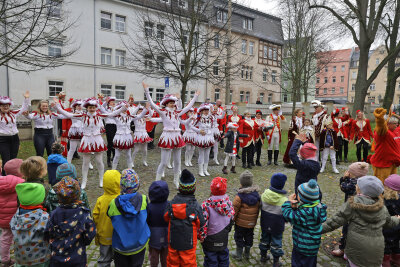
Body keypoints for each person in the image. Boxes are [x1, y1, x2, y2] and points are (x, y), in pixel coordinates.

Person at [322, 176, 400, 267]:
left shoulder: (352, 205)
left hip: (356, 249)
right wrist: (397, 219)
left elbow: (335, 221)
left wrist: (318, 229)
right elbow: (388, 222)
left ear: (359, 190)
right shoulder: (382, 207)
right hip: (376, 250)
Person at [55, 97, 127, 188]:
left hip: (97, 140)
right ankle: (84, 180)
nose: (92, 109)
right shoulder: (82, 116)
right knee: (85, 162)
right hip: (87, 140)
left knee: (99, 161)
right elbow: (68, 114)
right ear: (87, 108)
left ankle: (101, 179)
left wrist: (123, 108)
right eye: (90, 107)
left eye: (93, 107)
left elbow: (113, 113)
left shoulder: (100, 115)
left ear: (96, 107)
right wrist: (57, 106)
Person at [143, 82, 199, 186]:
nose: (173, 104)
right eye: (170, 103)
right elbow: (152, 104)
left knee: (177, 162)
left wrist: (195, 96)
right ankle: (157, 181)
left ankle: (176, 181)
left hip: (177, 136)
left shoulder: (178, 113)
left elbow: (188, 107)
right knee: (164, 162)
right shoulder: (163, 112)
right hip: (167, 136)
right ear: (166, 104)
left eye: (174, 102)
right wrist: (147, 91)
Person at [44, 176, 96, 267]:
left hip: (57, 259)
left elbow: (47, 233)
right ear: (78, 194)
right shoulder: (83, 214)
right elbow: (90, 234)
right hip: (77, 259)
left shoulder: (54, 214)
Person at [107, 169, 150, 267]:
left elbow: (109, 215)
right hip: (139, 244)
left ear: (120, 186)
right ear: (138, 185)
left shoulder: (113, 204)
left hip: (121, 246)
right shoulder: (143, 200)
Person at [164, 169, 205, 266]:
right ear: (193, 189)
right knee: (188, 262)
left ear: (180, 188)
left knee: (172, 261)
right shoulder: (196, 206)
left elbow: (165, 217)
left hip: (173, 240)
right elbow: (201, 223)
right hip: (189, 242)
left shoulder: (171, 204)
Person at [282, 179, 327, 267]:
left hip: (302, 247)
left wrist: (288, 202)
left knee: (297, 263)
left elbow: (288, 215)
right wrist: (296, 207)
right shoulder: (319, 207)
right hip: (313, 247)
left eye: (298, 193)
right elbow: (301, 217)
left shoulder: (304, 212)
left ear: (302, 197)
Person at [331, 162, 370, 257]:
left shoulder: (354, 183)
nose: (347, 172)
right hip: (360, 211)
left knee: (346, 229)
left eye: (349, 171)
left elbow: (343, 187)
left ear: (354, 173)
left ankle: (343, 250)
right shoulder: (364, 181)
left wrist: (343, 178)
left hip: (351, 210)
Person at [10, 183, 50, 267]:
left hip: (20, 257)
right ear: (41, 199)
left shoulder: (16, 216)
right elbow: (50, 233)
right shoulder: (44, 217)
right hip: (40, 258)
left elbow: (11, 226)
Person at [199, 177, 234, 267]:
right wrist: (227, 230)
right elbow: (232, 218)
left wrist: (202, 236)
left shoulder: (206, 205)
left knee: (211, 259)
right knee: (224, 257)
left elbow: (203, 222)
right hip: (223, 236)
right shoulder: (229, 203)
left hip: (210, 238)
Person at [93, 170, 121, 267]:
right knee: (119, 260)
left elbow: (95, 216)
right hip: (119, 236)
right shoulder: (121, 199)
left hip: (104, 236)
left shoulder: (100, 200)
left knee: (104, 260)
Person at [108, 103, 148, 170]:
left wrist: (145, 109)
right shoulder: (116, 116)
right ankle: (113, 170)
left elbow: (140, 116)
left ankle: (130, 170)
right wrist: (121, 108)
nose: (125, 109)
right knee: (117, 155)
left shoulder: (130, 117)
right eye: (123, 108)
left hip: (128, 137)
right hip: (119, 137)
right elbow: (111, 114)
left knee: (128, 155)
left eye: (125, 108)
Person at [231, 170, 261, 261]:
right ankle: (247, 253)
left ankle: (238, 254)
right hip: (251, 223)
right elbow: (258, 209)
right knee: (249, 236)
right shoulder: (257, 196)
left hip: (240, 224)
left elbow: (234, 210)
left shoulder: (239, 196)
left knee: (239, 237)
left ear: (241, 183)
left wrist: (232, 220)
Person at [259, 173, 288, 266]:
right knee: (276, 242)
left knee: (264, 239)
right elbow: (287, 215)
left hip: (265, 223)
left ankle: (263, 256)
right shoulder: (284, 201)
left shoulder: (264, 195)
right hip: (277, 226)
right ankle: (276, 261)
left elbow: (260, 206)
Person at [0, 159, 24, 267]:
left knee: (5, 238)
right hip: (16, 218)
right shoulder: (22, 183)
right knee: (19, 239)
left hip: (3, 218)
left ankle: (5, 259)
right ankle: (21, 259)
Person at [0, 91, 30, 174]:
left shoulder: (14, 113)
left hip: (15, 138)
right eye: (3, 105)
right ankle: (4, 179)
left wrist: (26, 98)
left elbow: (23, 108)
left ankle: (12, 178)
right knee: (6, 160)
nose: (5, 107)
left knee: (13, 160)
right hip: (3, 139)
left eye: (7, 105)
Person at [370, 108, 400, 183]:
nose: (397, 125)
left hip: (393, 163)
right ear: (388, 124)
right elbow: (381, 126)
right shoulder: (383, 133)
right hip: (383, 164)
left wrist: (395, 115)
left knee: (392, 185)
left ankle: (391, 194)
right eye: (394, 123)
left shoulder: (395, 131)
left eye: (397, 123)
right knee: (382, 185)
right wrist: (379, 118)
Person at [147, 180, 170, 267]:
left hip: (154, 234)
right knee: (165, 254)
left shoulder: (149, 207)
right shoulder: (169, 205)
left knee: (154, 254)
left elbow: (147, 220)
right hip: (167, 232)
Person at [191, 103, 215, 177]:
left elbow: (212, 127)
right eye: (204, 110)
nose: (206, 112)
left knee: (207, 155)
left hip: (209, 137)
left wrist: (212, 135)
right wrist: (199, 131)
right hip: (202, 138)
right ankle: (200, 170)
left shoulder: (211, 118)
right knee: (201, 154)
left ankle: (205, 170)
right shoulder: (198, 118)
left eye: (207, 110)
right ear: (201, 111)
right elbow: (191, 126)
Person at [382, 174, 400, 267]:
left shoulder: (385, 200)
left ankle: (385, 260)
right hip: (398, 225)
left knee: (386, 243)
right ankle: (396, 258)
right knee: (396, 242)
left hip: (388, 226)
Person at [103, 97, 117, 167]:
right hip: (108, 126)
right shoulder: (106, 109)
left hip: (115, 126)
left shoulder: (115, 109)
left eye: (114, 102)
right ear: (109, 103)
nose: (113, 103)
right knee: (110, 142)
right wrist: (105, 102)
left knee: (114, 142)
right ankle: (108, 159)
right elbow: (101, 107)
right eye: (111, 102)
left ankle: (114, 156)